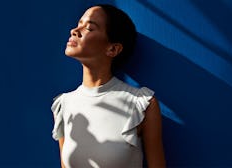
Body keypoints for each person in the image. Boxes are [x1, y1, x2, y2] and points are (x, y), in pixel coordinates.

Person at [51, 4, 165, 168]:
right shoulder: (64, 105)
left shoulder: (142, 104)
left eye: (89, 28)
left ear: (113, 49)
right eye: (79, 23)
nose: (75, 30)